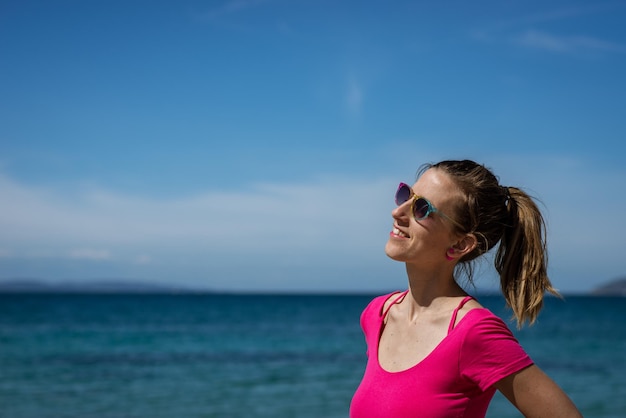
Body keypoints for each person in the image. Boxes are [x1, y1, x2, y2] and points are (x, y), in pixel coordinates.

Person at [349, 160, 582, 418]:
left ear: (460, 245)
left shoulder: (474, 331)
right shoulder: (378, 314)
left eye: (421, 208)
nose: (398, 213)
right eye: (406, 194)